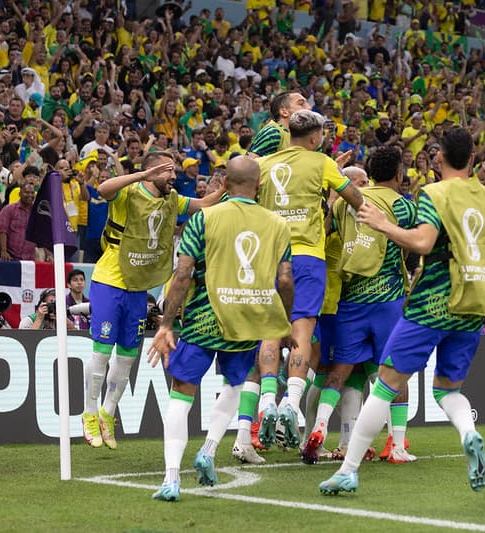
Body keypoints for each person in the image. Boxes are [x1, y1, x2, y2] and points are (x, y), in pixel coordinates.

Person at [319, 127, 485, 495]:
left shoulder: (433, 194)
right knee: (448, 390)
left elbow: (422, 242)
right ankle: (468, 432)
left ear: (438, 159)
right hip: (472, 304)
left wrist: (383, 224)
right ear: (471, 158)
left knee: (386, 385)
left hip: (432, 303)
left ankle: (348, 469)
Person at [147, 156, 294, 502]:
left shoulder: (205, 217)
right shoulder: (277, 223)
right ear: (259, 186)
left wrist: (166, 324)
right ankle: (209, 449)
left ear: (225, 184)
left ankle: (171, 479)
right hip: (248, 320)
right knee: (235, 385)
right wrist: (283, 322)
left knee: (181, 396)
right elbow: (285, 280)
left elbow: (182, 275)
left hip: (204, 318)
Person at [81, 151, 222, 450]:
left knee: (128, 356)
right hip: (110, 278)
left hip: (139, 285)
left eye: (174, 171)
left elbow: (202, 204)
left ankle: (108, 412)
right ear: (152, 171)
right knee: (102, 352)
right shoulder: (128, 192)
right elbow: (103, 189)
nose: (174, 176)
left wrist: (228, 187)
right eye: (167, 171)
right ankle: (89, 413)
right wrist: (141, 176)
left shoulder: (171, 200)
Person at [256, 109, 364, 451]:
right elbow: (355, 198)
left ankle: (266, 403)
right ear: (315, 137)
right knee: (302, 331)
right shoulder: (322, 163)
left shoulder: (265, 164)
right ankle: (291, 403)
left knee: (271, 332)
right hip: (307, 257)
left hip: (269, 256)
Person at [302, 146, 416, 465]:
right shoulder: (403, 206)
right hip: (386, 300)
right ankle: (396, 445)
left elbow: (326, 233)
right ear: (398, 174)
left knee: (338, 373)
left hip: (349, 301)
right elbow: (410, 245)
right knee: (394, 373)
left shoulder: (341, 208)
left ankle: (321, 427)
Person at [232, 89, 312, 456]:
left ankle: (246, 433)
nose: (306, 107)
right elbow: (243, 169)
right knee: (289, 335)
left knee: (264, 348)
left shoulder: (300, 149)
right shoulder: (272, 133)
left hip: (275, 245)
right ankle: (278, 412)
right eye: (299, 103)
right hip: (274, 246)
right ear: (283, 112)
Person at [248, 91, 311, 158]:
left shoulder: (308, 136)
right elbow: (249, 164)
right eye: (301, 104)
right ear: (284, 112)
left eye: (307, 103)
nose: (309, 107)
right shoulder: (273, 133)